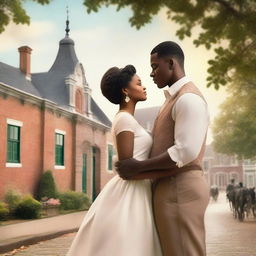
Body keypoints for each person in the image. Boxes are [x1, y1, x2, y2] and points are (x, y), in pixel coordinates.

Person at [116, 41, 210, 256]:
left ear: (171, 63)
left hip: (180, 188)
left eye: (155, 66)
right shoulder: (174, 99)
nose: (151, 73)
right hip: (173, 188)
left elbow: (185, 151)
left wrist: (138, 167)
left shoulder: (188, 99)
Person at [66, 65, 163, 256]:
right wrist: (166, 171)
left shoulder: (128, 120)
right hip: (130, 193)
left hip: (139, 190)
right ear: (126, 90)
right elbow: (128, 169)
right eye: (139, 83)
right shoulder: (124, 120)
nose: (144, 87)